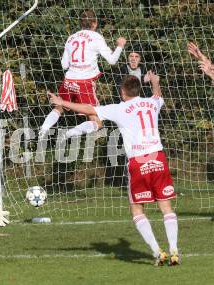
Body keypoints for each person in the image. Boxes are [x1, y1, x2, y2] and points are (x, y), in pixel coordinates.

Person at [49, 72, 180, 266]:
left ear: (122, 92)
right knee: (166, 207)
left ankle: (157, 252)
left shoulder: (120, 108)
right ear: (138, 89)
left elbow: (88, 108)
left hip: (138, 161)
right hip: (159, 158)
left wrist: (62, 101)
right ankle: (175, 250)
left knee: (136, 210)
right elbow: (158, 96)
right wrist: (155, 81)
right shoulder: (151, 103)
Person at [39, 9, 126, 138]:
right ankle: (71, 133)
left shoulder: (71, 38)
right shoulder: (96, 37)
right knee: (96, 120)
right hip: (85, 83)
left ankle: (44, 128)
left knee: (59, 107)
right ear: (95, 24)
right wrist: (120, 46)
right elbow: (112, 61)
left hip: (68, 81)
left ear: (80, 23)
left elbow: (64, 65)